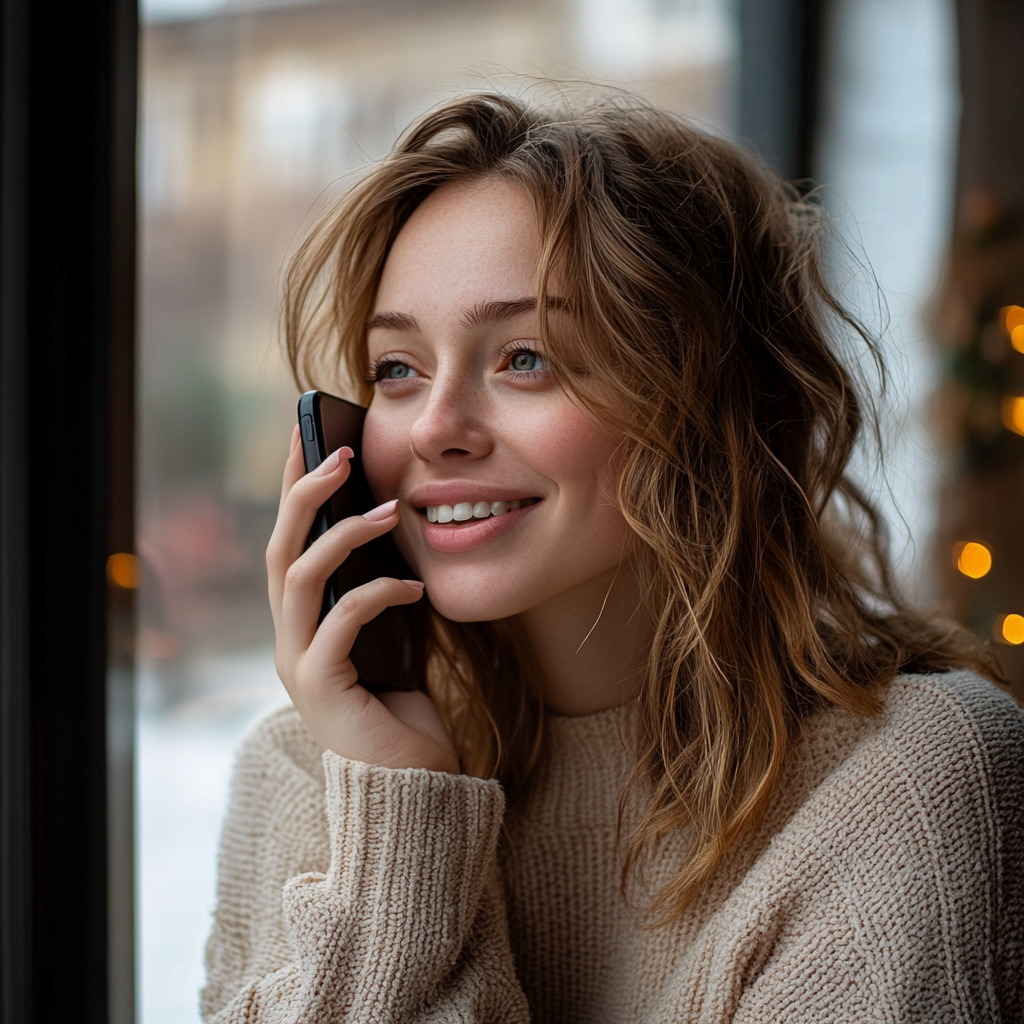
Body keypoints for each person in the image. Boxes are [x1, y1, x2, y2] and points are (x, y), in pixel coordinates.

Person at [201, 89, 1024, 1023]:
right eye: (398, 369)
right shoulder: (311, 772)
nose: (434, 428)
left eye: (525, 358)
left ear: (704, 401)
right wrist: (402, 819)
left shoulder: (910, 782)